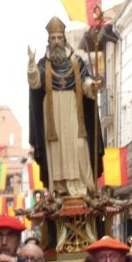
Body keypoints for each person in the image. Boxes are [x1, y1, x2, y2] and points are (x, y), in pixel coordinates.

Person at [27, 17, 104, 196]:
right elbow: (35, 82)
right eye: (52, 38)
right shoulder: (43, 64)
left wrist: (92, 85)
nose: (56, 42)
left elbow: (85, 82)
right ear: (49, 40)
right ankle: (60, 186)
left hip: (73, 111)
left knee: (78, 145)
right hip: (52, 114)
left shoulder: (76, 62)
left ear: (64, 39)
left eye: (59, 37)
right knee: (56, 149)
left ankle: (82, 184)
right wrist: (31, 63)